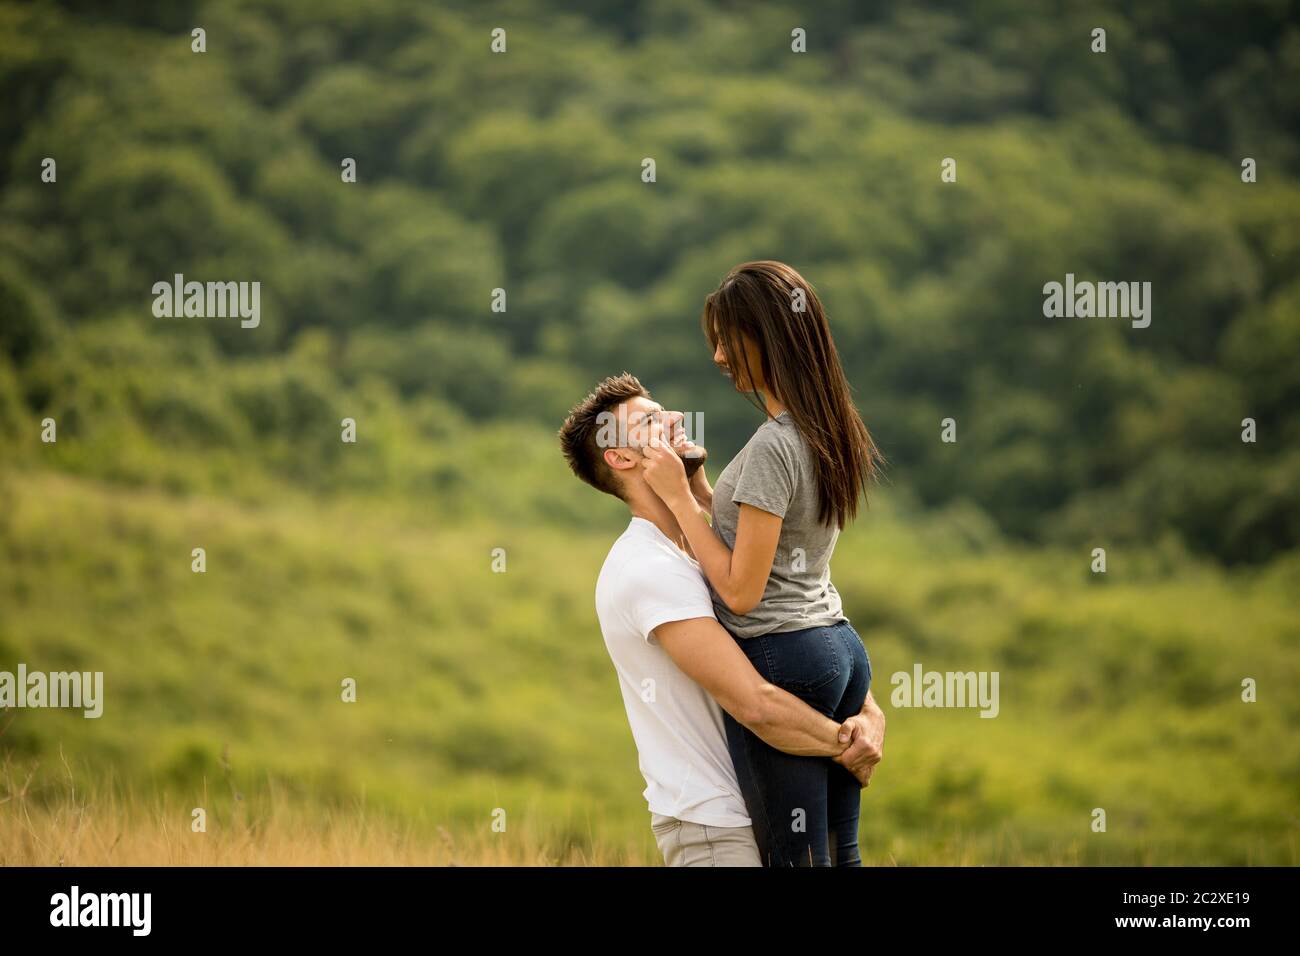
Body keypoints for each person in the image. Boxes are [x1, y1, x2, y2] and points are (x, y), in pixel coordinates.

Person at [558, 373, 885, 866]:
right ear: (621, 457)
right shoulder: (646, 569)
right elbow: (756, 702)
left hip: (759, 805)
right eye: (650, 420)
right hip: (714, 828)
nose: (675, 419)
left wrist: (867, 709)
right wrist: (844, 742)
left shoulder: (701, 553)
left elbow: (797, 616)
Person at [640, 260, 884, 866]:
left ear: (768, 337)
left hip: (784, 656)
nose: (720, 357)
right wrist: (702, 489)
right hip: (837, 648)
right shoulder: (826, 427)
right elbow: (765, 547)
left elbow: (742, 590)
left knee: (796, 861)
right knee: (838, 855)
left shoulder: (774, 445)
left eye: (729, 339)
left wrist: (673, 496)